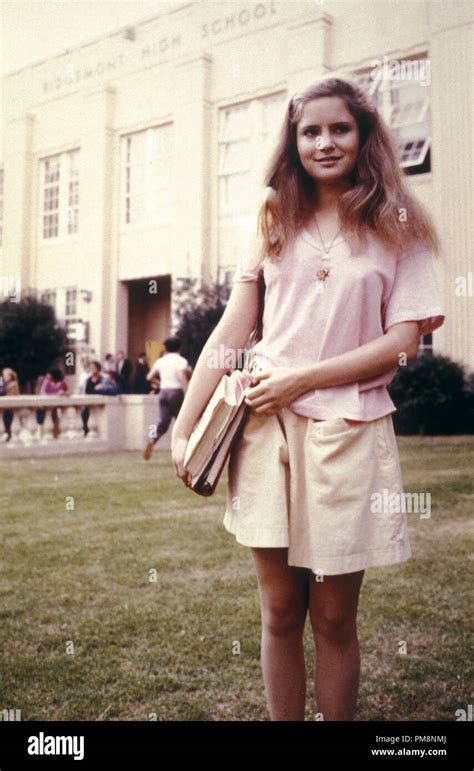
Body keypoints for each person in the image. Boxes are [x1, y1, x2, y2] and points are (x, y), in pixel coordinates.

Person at [170, 77, 445, 721]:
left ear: (364, 135)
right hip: (262, 427)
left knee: (334, 615)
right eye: (310, 131)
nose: (325, 142)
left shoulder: (397, 224)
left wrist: (303, 378)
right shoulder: (272, 214)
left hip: (349, 428)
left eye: (340, 129)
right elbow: (235, 327)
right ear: (293, 142)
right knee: (280, 609)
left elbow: (403, 343)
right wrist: (185, 429)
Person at [143, 337, 189, 461]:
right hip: (176, 392)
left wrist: (159, 384)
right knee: (183, 423)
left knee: (162, 423)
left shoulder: (160, 361)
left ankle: (152, 438)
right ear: (179, 347)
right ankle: (184, 453)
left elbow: (149, 377)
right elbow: (181, 377)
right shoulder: (181, 361)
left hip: (163, 392)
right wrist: (188, 393)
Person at [36, 368, 69, 438]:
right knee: (45, 419)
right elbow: (43, 393)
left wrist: (64, 393)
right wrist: (56, 394)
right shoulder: (47, 382)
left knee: (56, 419)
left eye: (49, 375)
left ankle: (56, 434)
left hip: (57, 405)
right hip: (46, 405)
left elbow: (67, 391)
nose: (48, 376)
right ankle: (43, 434)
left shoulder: (62, 382)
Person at [81, 361, 105, 436]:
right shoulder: (88, 379)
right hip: (89, 403)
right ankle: (86, 432)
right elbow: (85, 391)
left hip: (99, 403)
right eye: (91, 368)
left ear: (98, 369)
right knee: (84, 415)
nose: (92, 369)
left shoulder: (103, 379)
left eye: (94, 368)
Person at [1, 368, 20, 441]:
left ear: (10, 376)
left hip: (10, 407)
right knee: (6, 422)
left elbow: (10, 396)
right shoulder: (6, 384)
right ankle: (8, 435)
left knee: (8, 422)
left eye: (5, 375)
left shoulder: (12, 384)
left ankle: (10, 435)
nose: (3, 377)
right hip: (7, 407)